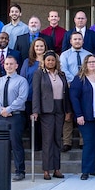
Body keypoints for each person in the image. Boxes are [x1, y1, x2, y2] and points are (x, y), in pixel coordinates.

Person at [31, 50, 70, 181]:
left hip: (60, 109)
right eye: (48, 60)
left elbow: (66, 94)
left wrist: (68, 111)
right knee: (47, 140)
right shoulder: (39, 74)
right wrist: (35, 111)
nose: (50, 62)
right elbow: (35, 93)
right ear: (44, 62)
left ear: (56, 62)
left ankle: (57, 169)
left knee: (57, 139)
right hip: (46, 110)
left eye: (53, 60)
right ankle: (46, 170)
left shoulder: (61, 74)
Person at [0, 56, 30, 181]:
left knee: (15, 144)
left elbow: (21, 98)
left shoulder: (21, 81)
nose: (8, 66)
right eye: (7, 64)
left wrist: (8, 110)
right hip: (1, 115)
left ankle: (20, 171)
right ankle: (0, 171)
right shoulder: (0, 81)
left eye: (11, 64)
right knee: (1, 144)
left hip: (16, 116)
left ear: (16, 66)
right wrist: (1, 110)